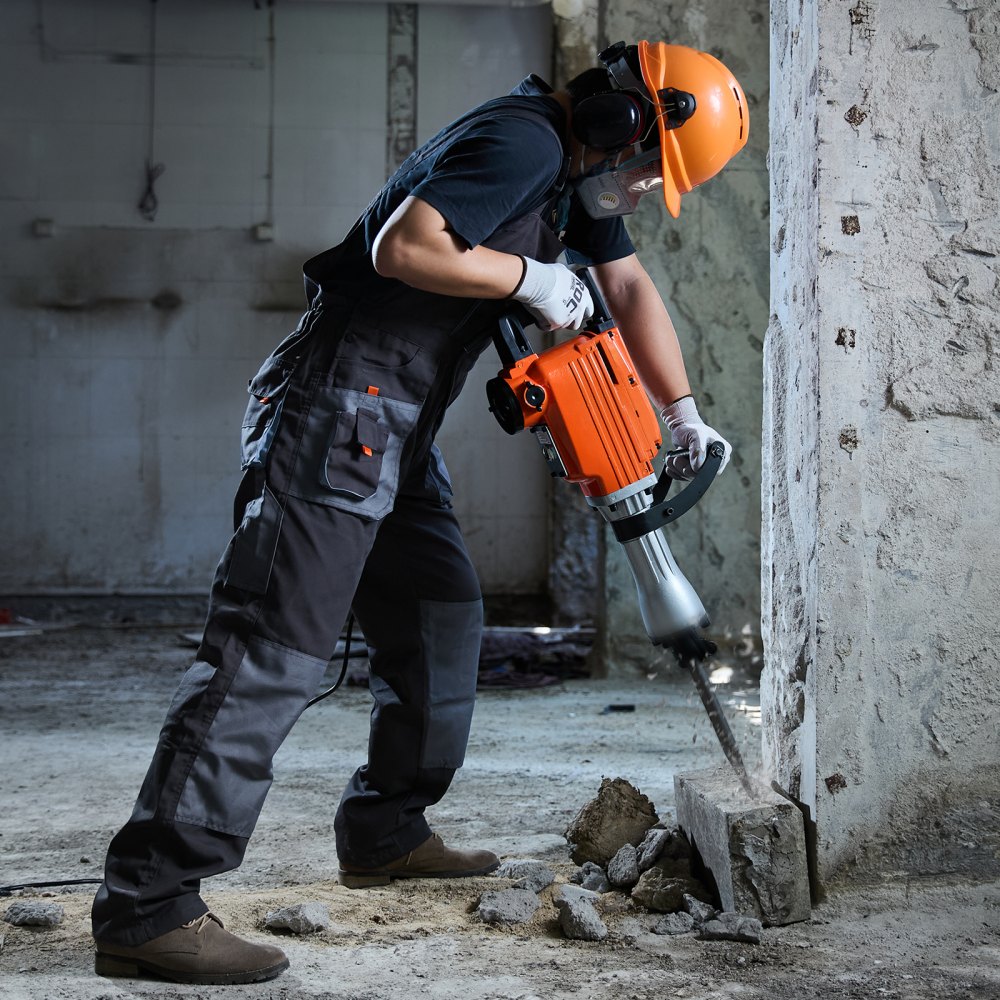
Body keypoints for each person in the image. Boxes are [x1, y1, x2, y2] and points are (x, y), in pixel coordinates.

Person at [90, 39, 749, 985]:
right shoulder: (522, 142)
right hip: (335, 408)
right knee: (272, 648)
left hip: (396, 422)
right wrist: (526, 280)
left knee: (442, 614)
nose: (643, 188)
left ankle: (387, 828)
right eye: (649, 167)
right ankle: (147, 906)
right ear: (621, 124)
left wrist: (680, 409)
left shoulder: (571, 175)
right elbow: (405, 245)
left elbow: (629, 286)